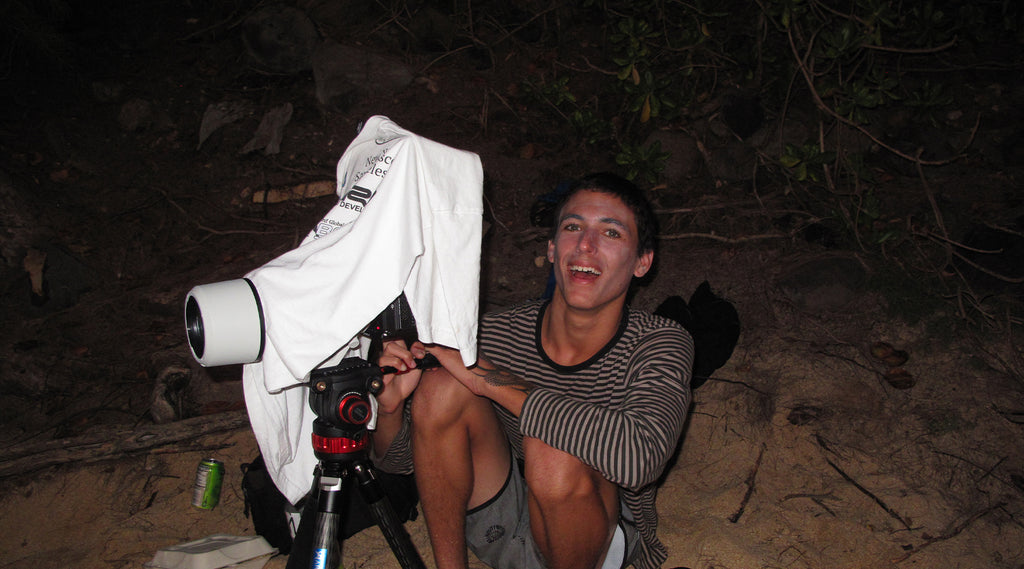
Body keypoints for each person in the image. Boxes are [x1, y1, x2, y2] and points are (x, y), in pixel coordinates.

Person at [371, 172, 694, 569]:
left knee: (551, 450)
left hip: (597, 541)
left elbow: (640, 459)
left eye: (611, 234)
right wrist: (389, 408)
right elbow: (399, 463)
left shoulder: (659, 342)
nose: (586, 245)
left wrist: (487, 379)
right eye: (573, 227)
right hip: (502, 524)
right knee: (440, 388)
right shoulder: (496, 333)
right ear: (554, 248)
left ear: (642, 263)